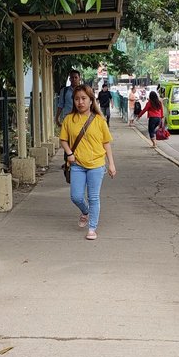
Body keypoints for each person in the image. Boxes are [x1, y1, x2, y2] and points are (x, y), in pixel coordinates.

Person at [59, 84, 116, 241]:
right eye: (77, 99)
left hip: (97, 164)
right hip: (77, 164)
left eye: (84, 98)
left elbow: (106, 143)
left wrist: (111, 164)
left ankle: (92, 228)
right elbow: (63, 139)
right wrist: (69, 153)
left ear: (91, 100)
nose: (80, 102)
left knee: (93, 197)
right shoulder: (69, 119)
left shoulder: (99, 120)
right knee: (76, 196)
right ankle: (85, 212)